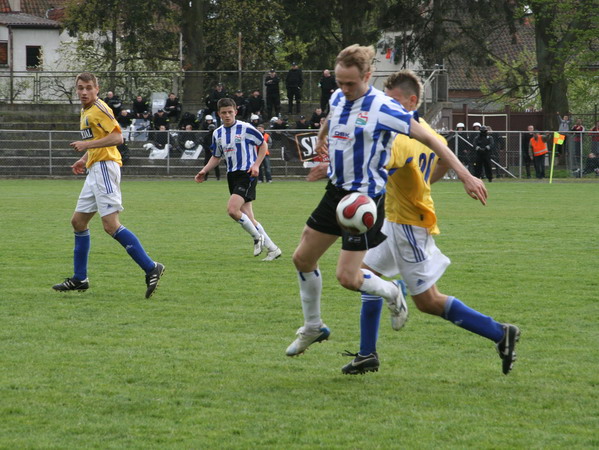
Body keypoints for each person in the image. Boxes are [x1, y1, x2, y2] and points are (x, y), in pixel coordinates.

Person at [284, 44, 487, 358]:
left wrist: (465, 174)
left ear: (367, 76)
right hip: (335, 192)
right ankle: (314, 327)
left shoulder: (383, 107)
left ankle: (393, 291)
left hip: (364, 201)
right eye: (339, 82)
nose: (344, 89)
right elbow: (332, 115)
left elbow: (431, 140)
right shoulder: (338, 97)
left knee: (348, 278)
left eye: (351, 83)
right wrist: (323, 139)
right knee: (302, 259)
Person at [337, 70, 519, 376]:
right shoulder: (425, 131)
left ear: (411, 101)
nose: (386, 106)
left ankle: (500, 333)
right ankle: (367, 353)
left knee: (429, 302)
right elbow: (443, 159)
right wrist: (423, 183)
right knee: (365, 274)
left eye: (393, 100)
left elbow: (374, 167)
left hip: (408, 226)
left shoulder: (401, 139)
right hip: (394, 221)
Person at [52, 72, 164, 298]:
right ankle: (80, 278)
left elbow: (117, 138)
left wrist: (86, 145)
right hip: (95, 168)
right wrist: (84, 159)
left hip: (105, 168)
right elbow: (100, 140)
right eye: (80, 88)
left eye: (88, 88)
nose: (84, 92)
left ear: (97, 89)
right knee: (78, 221)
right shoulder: (86, 110)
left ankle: (151, 267)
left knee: (111, 225)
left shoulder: (100, 109)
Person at [194, 98, 282, 261]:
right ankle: (273, 249)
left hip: (247, 173)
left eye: (230, 112)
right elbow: (216, 156)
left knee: (233, 210)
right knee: (249, 217)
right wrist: (204, 171)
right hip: (232, 175)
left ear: (236, 111)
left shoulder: (246, 128)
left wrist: (256, 165)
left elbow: (263, 145)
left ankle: (257, 238)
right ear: (218, 114)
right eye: (223, 113)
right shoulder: (217, 133)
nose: (227, 115)